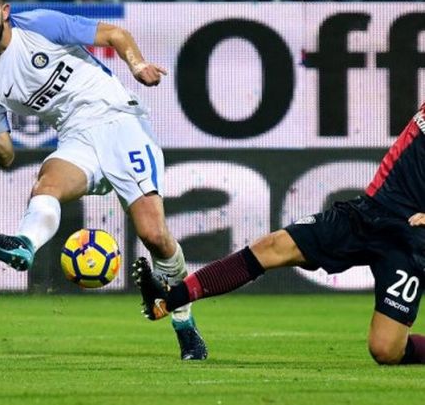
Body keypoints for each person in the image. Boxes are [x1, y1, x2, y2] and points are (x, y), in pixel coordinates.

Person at [0, 0, 207, 360]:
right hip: (76, 139)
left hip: (119, 121)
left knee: (154, 236)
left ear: (6, 11)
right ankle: (24, 246)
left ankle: (185, 326)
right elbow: (6, 155)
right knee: (45, 185)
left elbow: (114, 34)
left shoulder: (39, 24)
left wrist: (137, 65)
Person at [133, 102, 425, 365]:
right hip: (367, 213)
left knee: (386, 350)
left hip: (410, 237)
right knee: (273, 246)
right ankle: (168, 299)